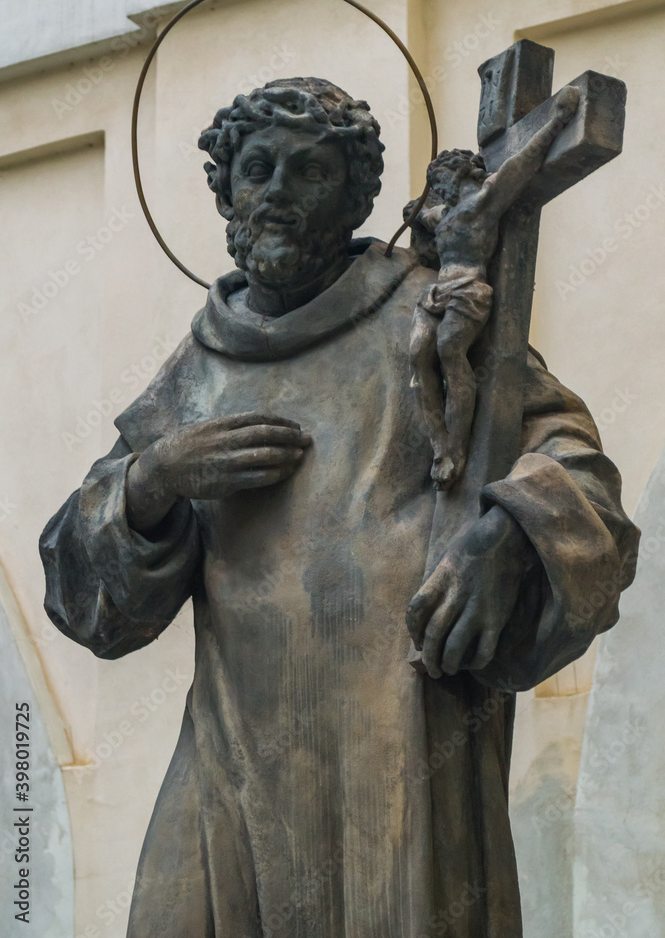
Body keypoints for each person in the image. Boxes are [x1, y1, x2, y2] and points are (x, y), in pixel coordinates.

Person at [40, 77, 638, 938]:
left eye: (310, 172)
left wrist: (506, 534)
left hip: (397, 737)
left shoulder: (430, 317)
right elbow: (88, 601)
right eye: (257, 169)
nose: (277, 192)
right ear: (225, 192)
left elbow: (576, 470)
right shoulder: (198, 370)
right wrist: (153, 479)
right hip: (232, 750)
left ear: (355, 198)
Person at [409, 85, 579, 490]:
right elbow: (421, 220)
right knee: (417, 355)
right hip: (436, 293)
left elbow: (524, 161)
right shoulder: (444, 213)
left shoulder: (485, 201)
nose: (439, 191)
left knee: (450, 351)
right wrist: (414, 216)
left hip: (468, 289)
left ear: (460, 174)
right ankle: (439, 444)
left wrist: (557, 120)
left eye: (441, 181)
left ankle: (457, 448)